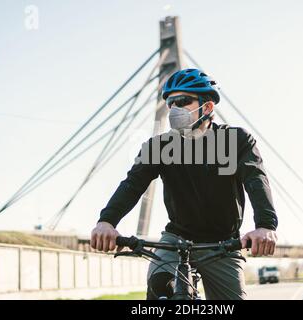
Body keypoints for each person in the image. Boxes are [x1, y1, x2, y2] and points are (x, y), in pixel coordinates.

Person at [90, 68, 278, 300]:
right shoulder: (158, 147)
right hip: (176, 238)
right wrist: (106, 221)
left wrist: (265, 226)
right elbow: (133, 184)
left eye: (183, 101)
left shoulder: (237, 140)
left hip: (223, 244)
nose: (174, 109)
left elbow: (256, 179)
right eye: (170, 103)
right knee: (160, 288)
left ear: (207, 107)